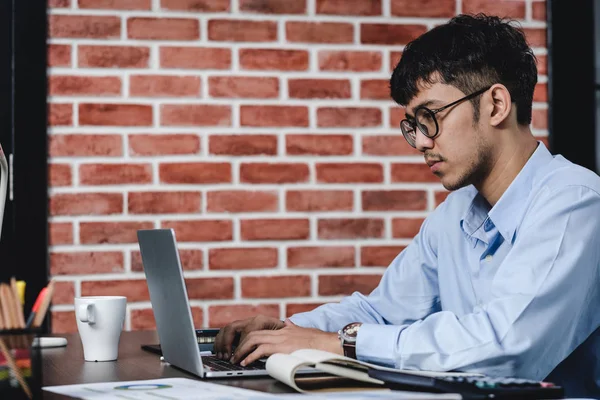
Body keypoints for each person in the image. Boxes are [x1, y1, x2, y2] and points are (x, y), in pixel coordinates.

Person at [214, 13, 600, 398]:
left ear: (497, 104)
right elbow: (382, 311)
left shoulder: (575, 204)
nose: (421, 143)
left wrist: (336, 343)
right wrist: (284, 330)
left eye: (430, 117)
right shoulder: (455, 213)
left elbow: (504, 347)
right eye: (412, 124)